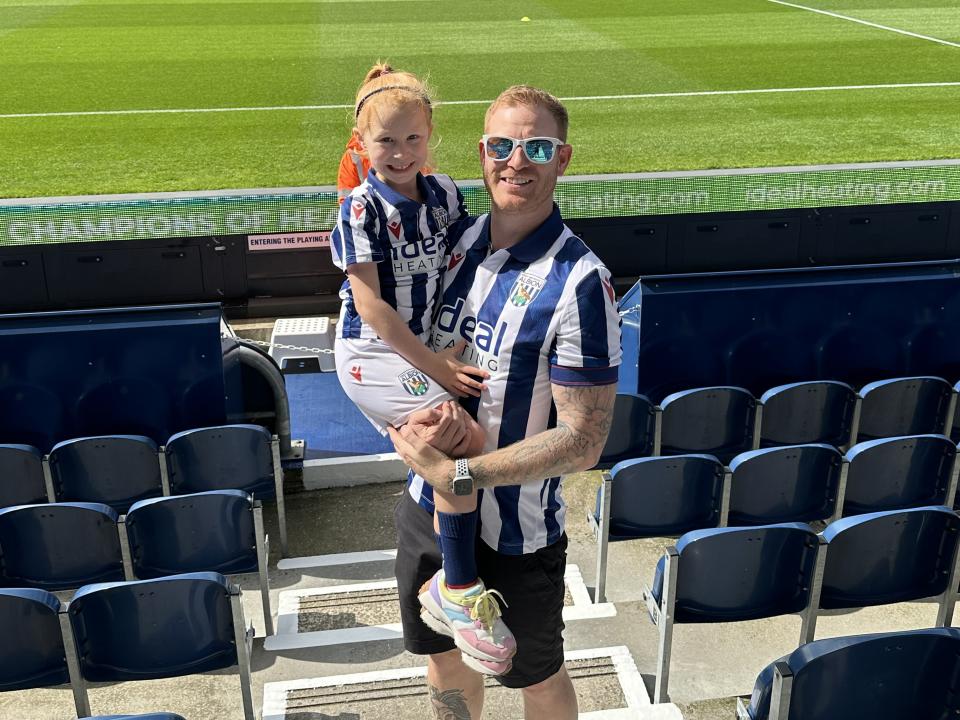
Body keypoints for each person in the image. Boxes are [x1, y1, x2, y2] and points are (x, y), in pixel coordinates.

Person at [389, 85, 622, 720]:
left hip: (516, 537)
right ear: (482, 153)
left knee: (536, 680)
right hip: (424, 506)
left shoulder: (579, 283)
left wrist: (459, 472)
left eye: (537, 147)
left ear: (563, 159)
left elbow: (582, 441)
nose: (517, 162)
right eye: (502, 146)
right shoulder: (457, 243)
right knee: (442, 658)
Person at [330, 63, 518, 676]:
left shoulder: (444, 194)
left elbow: (468, 256)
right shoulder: (360, 210)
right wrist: (440, 365)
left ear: (430, 135)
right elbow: (374, 310)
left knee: (462, 440)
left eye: (413, 138)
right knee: (453, 434)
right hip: (373, 354)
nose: (401, 152)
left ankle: (448, 572)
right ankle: (455, 586)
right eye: (385, 141)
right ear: (361, 145)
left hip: (423, 348)